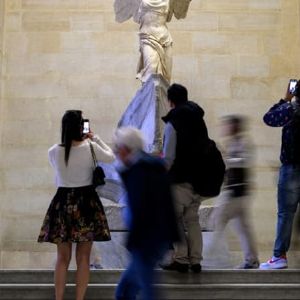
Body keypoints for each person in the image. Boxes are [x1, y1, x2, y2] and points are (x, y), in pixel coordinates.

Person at [37, 110, 115, 300]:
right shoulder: (90, 147)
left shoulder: (53, 151)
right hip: (86, 203)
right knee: (83, 258)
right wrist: (95, 137)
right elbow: (111, 157)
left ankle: (59, 298)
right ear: (81, 126)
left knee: (62, 258)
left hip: (62, 203)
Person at [113, 126, 178, 300]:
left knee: (143, 291)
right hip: (155, 238)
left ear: (126, 149)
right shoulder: (151, 166)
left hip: (146, 240)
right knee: (126, 291)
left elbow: (140, 208)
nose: (117, 154)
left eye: (117, 149)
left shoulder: (139, 171)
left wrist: (133, 239)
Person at [160, 83, 210, 273]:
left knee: (174, 218)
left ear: (170, 101)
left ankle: (181, 259)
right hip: (200, 180)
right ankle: (196, 260)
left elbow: (169, 157)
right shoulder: (199, 118)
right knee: (192, 219)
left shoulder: (174, 122)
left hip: (180, 180)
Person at [209, 115, 259, 269]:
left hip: (237, 192)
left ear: (236, 126)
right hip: (235, 191)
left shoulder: (243, 143)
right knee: (243, 228)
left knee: (215, 221)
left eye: (229, 125)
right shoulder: (232, 143)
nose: (226, 128)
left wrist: (226, 159)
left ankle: (208, 257)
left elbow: (243, 161)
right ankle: (251, 260)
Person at [260, 80, 300, 269]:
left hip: (291, 168)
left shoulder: (291, 110)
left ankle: (279, 256)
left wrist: (285, 99)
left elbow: (268, 118)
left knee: (286, 214)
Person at [114, 0, 192, 83]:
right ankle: (150, 94)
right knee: (151, 71)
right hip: (148, 37)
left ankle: (160, 95)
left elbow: (171, 15)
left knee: (166, 78)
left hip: (165, 39)